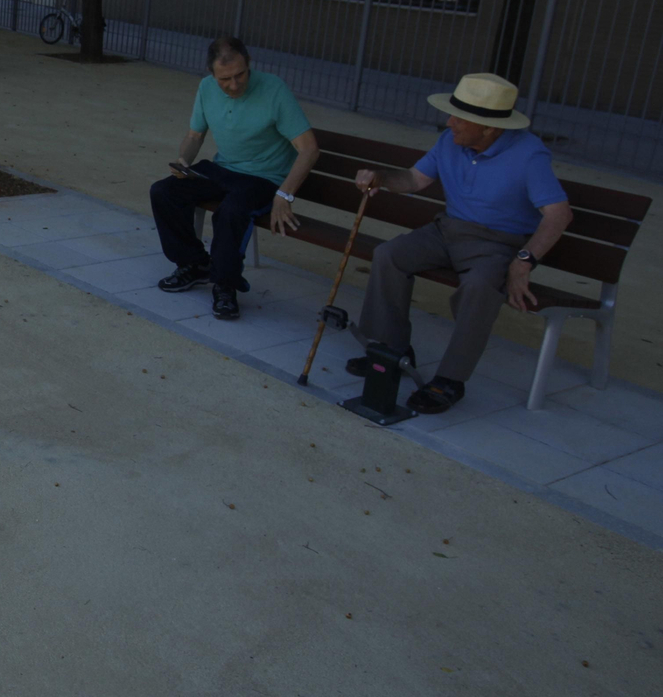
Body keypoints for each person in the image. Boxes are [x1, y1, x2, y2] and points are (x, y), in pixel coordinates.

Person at [349, 74, 572, 415]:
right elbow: (414, 179)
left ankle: (451, 379)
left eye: (460, 118)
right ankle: (391, 350)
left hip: (497, 242)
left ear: (489, 128)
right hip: (447, 230)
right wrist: (380, 176)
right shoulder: (449, 140)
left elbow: (558, 214)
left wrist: (523, 262)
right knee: (389, 255)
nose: (449, 122)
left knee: (480, 287)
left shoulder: (529, 154)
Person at [148, 37, 318, 320]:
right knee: (164, 191)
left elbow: (309, 149)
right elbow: (194, 135)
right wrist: (183, 160)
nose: (235, 84)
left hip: (264, 176)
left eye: (240, 74)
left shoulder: (274, 89)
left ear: (249, 63)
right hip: (225, 168)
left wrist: (284, 194)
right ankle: (195, 264)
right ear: (211, 73)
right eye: (225, 79)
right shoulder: (206, 88)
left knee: (232, 211)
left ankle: (225, 284)